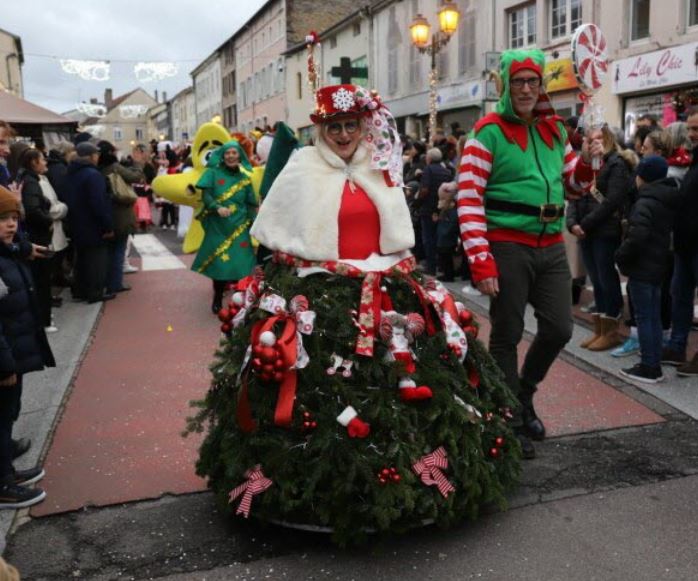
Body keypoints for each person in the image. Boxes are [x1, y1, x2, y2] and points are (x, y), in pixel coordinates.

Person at [193, 84, 520, 541]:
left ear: (363, 125)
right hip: (319, 294)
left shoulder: (377, 164)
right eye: (334, 126)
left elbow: (395, 228)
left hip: (384, 286)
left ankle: (417, 484)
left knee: (405, 380)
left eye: (351, 125)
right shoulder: (302, 168)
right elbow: (279, 230)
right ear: (321, 129)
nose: (344, 134)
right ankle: (308, 489)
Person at [456, 49, 600, 459]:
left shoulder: (555, 131)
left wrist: (588, 161)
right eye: (517, 81)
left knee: (559, 329)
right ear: (505, 85)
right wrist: (481, 260)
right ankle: (509, 418)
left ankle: (523, 392)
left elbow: (575, 186)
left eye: (531, 81)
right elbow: (468, 200)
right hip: (506, 245)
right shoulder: (487, 133)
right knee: (507, 334)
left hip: (551, 245)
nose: (525, 89)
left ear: (541, 85)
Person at [0, 185, 54, 509]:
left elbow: (15, 248)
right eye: (3, 219)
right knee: (1, 416)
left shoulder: (8, 250)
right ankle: (3, 484)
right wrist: (4, 365)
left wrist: (21, 245)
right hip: (5, 357)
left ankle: (6, 469)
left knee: (8, 414)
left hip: (14, 350)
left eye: (13, 218)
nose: (10, 224)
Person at [566, 125, 634, 352]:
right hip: (585, 230)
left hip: (604, 230)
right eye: (589, 139)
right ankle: (599, 329)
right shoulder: (584, 164)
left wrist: (584, 224)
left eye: (597, 138)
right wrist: (572, 222)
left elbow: (612, 201)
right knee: (595, 280)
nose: (593, 143)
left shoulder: (616, 164)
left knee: (606, 279)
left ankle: (611, 330)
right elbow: (574, 193)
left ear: (607, 140)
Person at [616, 155, 680, 383]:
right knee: (652, 315)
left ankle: (649, 366)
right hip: (658, 263)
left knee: (644, 316)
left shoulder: (645, 202)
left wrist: (621, 254)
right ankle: (652, 362)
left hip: (642, 265)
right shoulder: (667, 198)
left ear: (642, 177)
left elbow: (638, 235)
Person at [191, 140, 258, 313]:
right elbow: (206, 196)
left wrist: (256, 224)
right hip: (219, 227)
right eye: (227, 153)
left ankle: (241, 301)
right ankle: (217, 296)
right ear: (223, 156)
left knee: (242, 265)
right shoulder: (212, 173)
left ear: (239, 156)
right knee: (220, 265)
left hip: (240, 227)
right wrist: (216, 208)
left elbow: (251, 204)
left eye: (234, 153)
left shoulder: (245, 179)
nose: (230, 156)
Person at [662, 107, 698, 375]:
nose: (691, 134)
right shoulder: (692, 159)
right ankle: (677, 346)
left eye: (696, 129)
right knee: (680, 296)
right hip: (685, 245)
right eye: (690, 128)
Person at [64, 142, 114, 303]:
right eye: (96, 154)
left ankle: (80, 291)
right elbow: (98, 203)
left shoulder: (70, 172)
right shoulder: (93, 175)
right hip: (93, 225)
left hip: (76, 223)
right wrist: (107, 225)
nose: (98, 157)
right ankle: (95, 292)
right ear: (91, 156)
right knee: (96, 261)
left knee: (82, 260)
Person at [18, 149, 56, 333]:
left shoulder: (26, 179)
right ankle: (44, 320)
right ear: (34, 162)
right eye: (42, 159)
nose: (46, 162)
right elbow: (33, 211)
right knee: (41, 280)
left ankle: (43, 317)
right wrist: (48, 220)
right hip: (38, 238)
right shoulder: (32, 182)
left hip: (33, 236)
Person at [97, 141, 142, 295]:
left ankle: (108, 281)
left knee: (109, 252)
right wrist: (137, 162)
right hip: (121, 214)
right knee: (118, 250)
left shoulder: (98, 169)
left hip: (106, 214)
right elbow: (136, 176)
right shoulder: (114, 168)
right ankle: (115, 283)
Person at [417, 147, 452, 275]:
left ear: (429, 158)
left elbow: (424, 190)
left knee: (428, 239)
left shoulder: (428, 170)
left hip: (428, 208)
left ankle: (430, 267)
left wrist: (417, 203)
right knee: (439, 238)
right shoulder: (446, 172)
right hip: (442, 208)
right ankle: (441, 266)